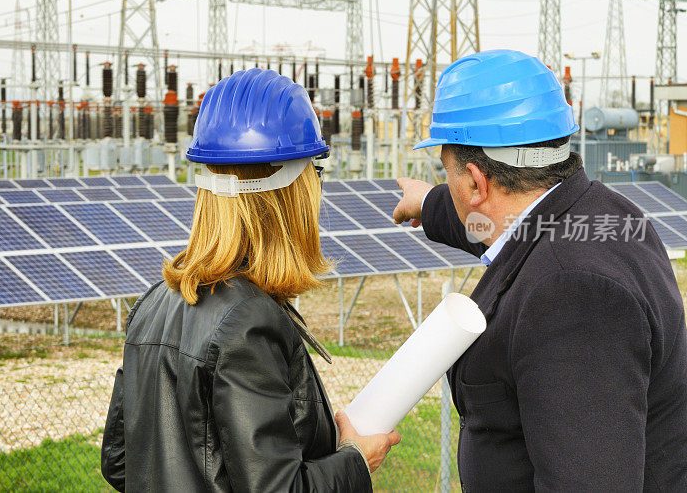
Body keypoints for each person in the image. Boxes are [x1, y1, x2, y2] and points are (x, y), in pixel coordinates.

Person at [393, 49, 687, 491]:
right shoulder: (600, 216)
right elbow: (498, 226)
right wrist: (432, 203)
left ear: (475, 181)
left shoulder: (572, 297)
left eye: (448, 173)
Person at [101, 68, 399, 492]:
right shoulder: (248, 323)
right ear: (293, 191)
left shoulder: (154, 305)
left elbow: (120, 463)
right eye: (315, 173)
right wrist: (355, 461)